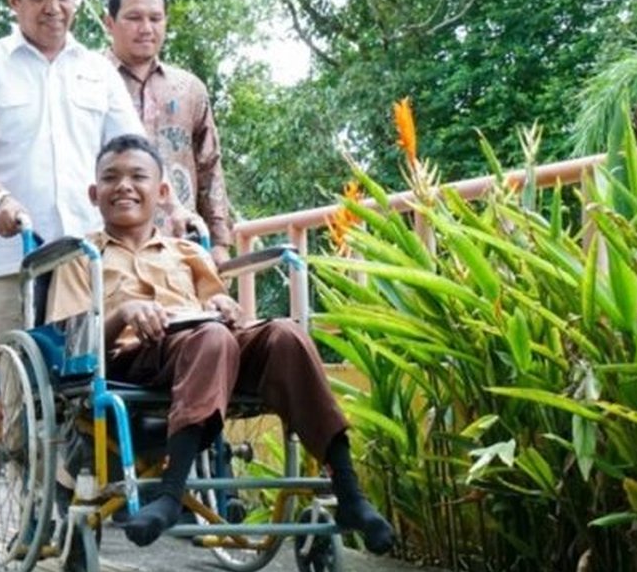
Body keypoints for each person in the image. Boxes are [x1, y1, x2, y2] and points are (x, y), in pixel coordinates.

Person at [47, 134, 395, 553]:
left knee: (285, 334)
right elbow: (72, 347)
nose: (124, 185)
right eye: (111, 178)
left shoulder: (188, 253)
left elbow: (223, 310)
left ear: (161, 193)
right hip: (129, 360)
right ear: (93, 193)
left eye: (138, 176)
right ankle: (172, 493)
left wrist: (224, 305)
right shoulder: (80, 257)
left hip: (207, 349)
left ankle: (349, 493)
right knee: (210, 337)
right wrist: (123, 313)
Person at [0, 0, 143, 336]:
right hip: (14, 257)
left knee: (91, 376)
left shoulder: (98, 70)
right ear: (13, 0)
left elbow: (135, 153)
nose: (53, 7)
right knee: (19, 382)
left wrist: (170, 209)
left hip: (90, 254)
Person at [104, 0, 233, 262]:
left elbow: (209, 167)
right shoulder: (88, 80)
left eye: (155, 18)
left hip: (182, 244)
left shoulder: (189, 89)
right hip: (112, 249)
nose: (146, 28)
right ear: (109, 23)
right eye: (134, 17)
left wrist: (220, 243)